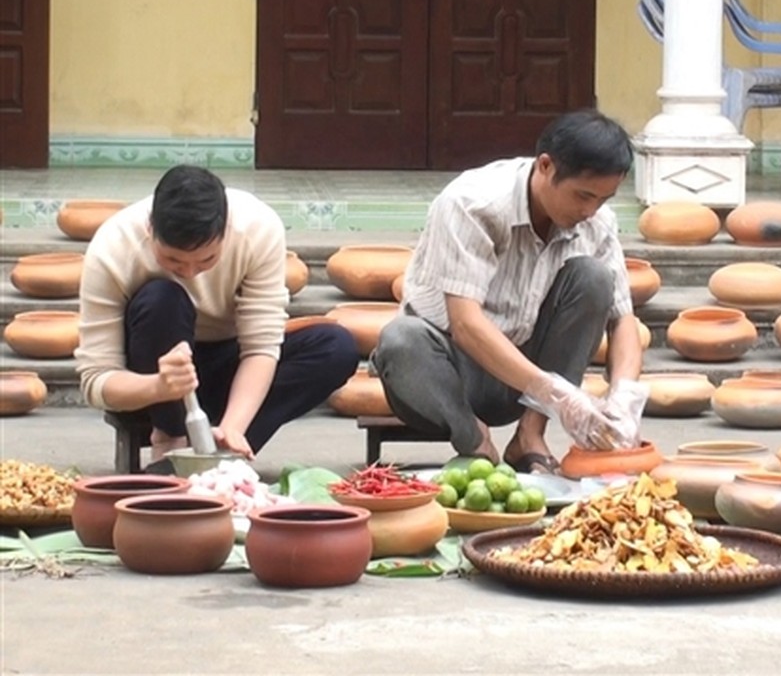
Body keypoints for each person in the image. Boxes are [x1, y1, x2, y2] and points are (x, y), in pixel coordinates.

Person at [372, 109, 644, 474]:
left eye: (603, 199)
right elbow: (466, 325)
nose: (590, 210)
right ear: (545, 166)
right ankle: (476, 443)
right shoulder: (472, 203)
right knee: (400, 338)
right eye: (583, 195)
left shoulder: (597, 222)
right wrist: (557, 394)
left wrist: (625, 394)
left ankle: (530, 436)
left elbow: (622, 318)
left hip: (525, 376)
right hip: (446, 374)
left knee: (594, 278)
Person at [75, 165, 358, 471]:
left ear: (226, 230)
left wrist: (233, 427)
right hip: (148, 383)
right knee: (162, 299)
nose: (189, 272)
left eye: (207, 259)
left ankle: (221, 451)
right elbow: (96, 380)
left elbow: (260, 347)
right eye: (173, 260)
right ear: (150, 227)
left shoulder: (257, 227)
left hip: (225, 368)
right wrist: (159, 386)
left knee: (335, 347)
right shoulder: (112, 248)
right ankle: (172, 440)